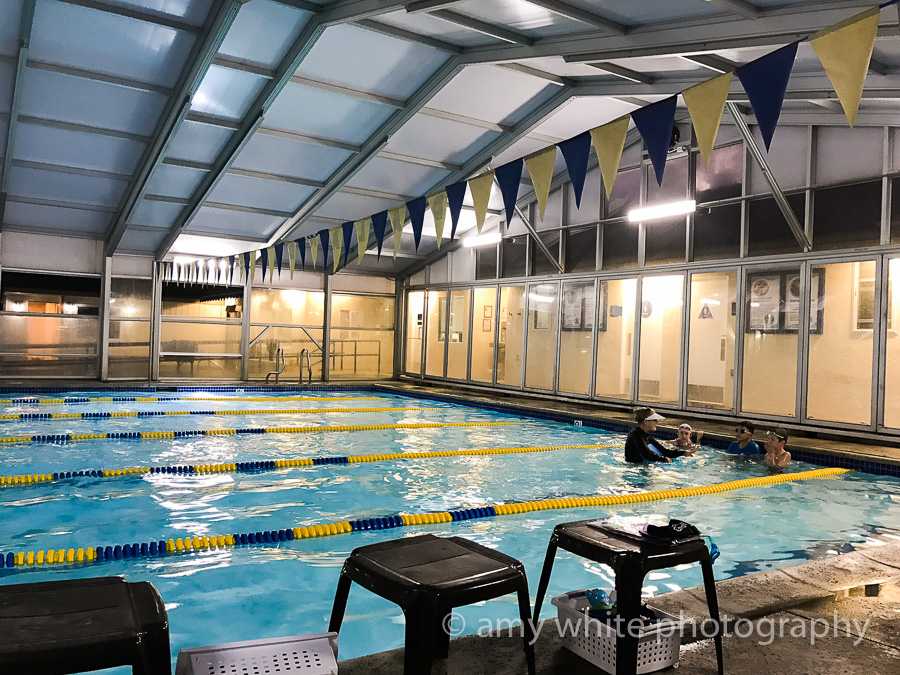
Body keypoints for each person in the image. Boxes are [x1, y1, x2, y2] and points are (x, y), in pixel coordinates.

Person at [625, 408, 692, 464]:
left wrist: (684, 453)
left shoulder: (646, 436)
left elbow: (664, 451)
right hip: (633, 468)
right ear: (646, 422)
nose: (657, 422)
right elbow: (647, 454)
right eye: (654, 420)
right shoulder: (635, 435)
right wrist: (664, 459)